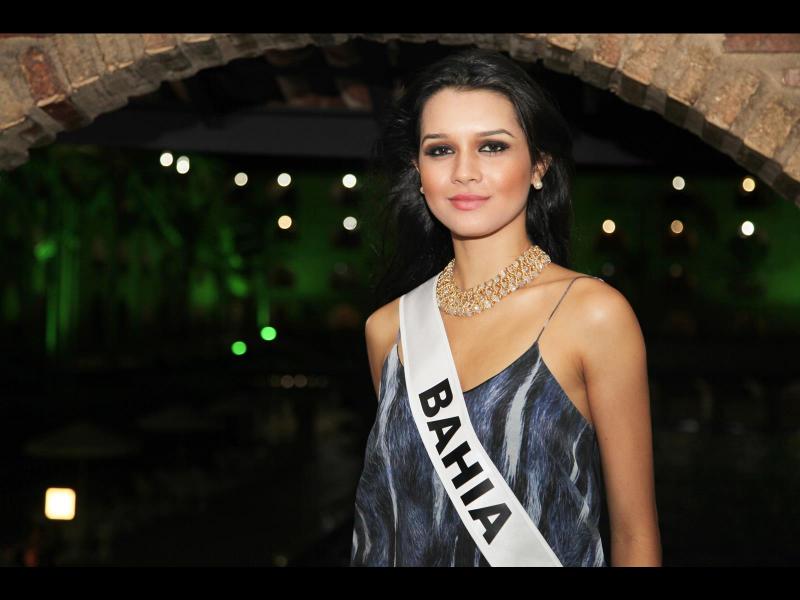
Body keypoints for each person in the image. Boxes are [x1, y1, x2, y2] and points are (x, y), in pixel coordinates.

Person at [350, 47, 661, 567]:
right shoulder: (390, 329)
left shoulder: (592, 315)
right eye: (440, 150)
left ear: (539, 165)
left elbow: (635, 535)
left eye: (492, 147)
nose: (464, 172)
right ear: (418, 170)